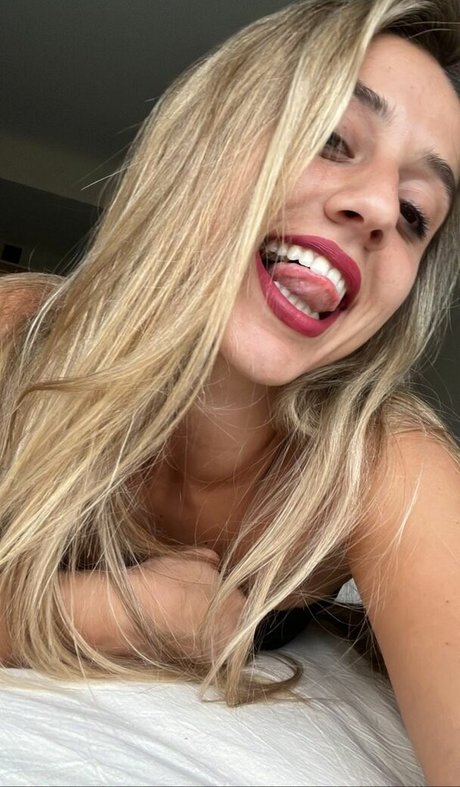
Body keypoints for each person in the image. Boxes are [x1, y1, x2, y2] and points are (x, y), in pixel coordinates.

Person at [0, 0, 459, 783]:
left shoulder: (384, 464)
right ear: (210, 136)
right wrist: (132, 609)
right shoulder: (18, 334)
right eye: (331, 138)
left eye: (418, 212)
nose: (383, 207)